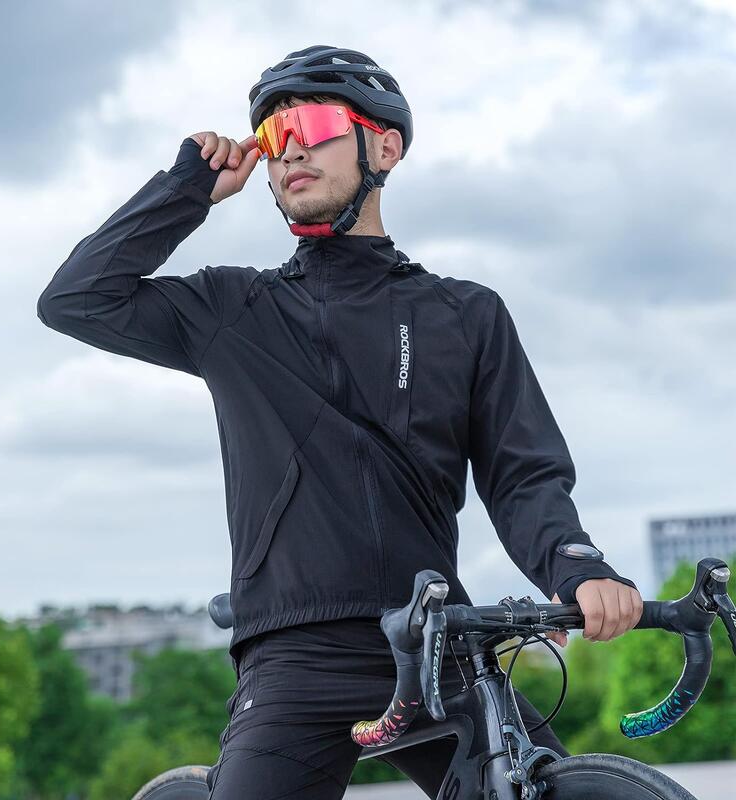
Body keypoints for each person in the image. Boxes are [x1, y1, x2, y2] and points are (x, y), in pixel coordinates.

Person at [37, 44, 644, 799]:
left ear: (383, 145)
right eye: (270, 138)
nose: (288, 149)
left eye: (313, 124)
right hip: (295, 656)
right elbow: (75, 300)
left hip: (440, 645)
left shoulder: (468, 313)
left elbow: (524, 477)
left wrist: (579, 565)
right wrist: (188, 187)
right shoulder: (233, 309)